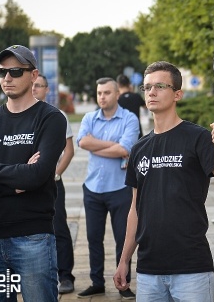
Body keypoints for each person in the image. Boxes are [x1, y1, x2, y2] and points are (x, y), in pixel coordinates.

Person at [112, 61, 214, 301]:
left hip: (191, 267)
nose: (151, 92)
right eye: (147, 87)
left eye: (160, 86)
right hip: (148, 269)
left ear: (177, 94)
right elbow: (135, 209)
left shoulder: (198, 138)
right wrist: (124, 260)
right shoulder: (139, 148)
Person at [0, 45, 67, 301]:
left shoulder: (50, 119)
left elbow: (37, 176)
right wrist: (12, 184)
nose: (7, 78)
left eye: (16, 71)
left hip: (33, 237)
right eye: (2, 72)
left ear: (33, 74)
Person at [76, 77, 139, 299]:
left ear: (117, 95)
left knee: (123, 239)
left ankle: (124, 284)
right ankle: (97, 282)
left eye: (107, 93)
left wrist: (97, 146)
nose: (102, 97)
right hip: (93, 188)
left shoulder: (129, 119)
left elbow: (126, 149)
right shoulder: (89, 117)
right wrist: (114, 147)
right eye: (99, 93)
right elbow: (82, 142)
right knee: (94, 238)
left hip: (120, 188)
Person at [32, 74, 76, 294]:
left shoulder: (56, 116)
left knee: (59, 228)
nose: (34, 89)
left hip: (52, 182)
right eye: (32, 85)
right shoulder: (20, 115)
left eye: (38, 86)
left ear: (47, 90)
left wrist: (55, 174)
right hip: (25, 182)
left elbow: (69, 150)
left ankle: (65, 276)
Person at [117, 74, 146, 139]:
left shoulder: (117, 99)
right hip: (137, 130)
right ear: (129, 84)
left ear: (118, 85)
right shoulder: (136, 96)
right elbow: (145, 107)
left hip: (123, 132)